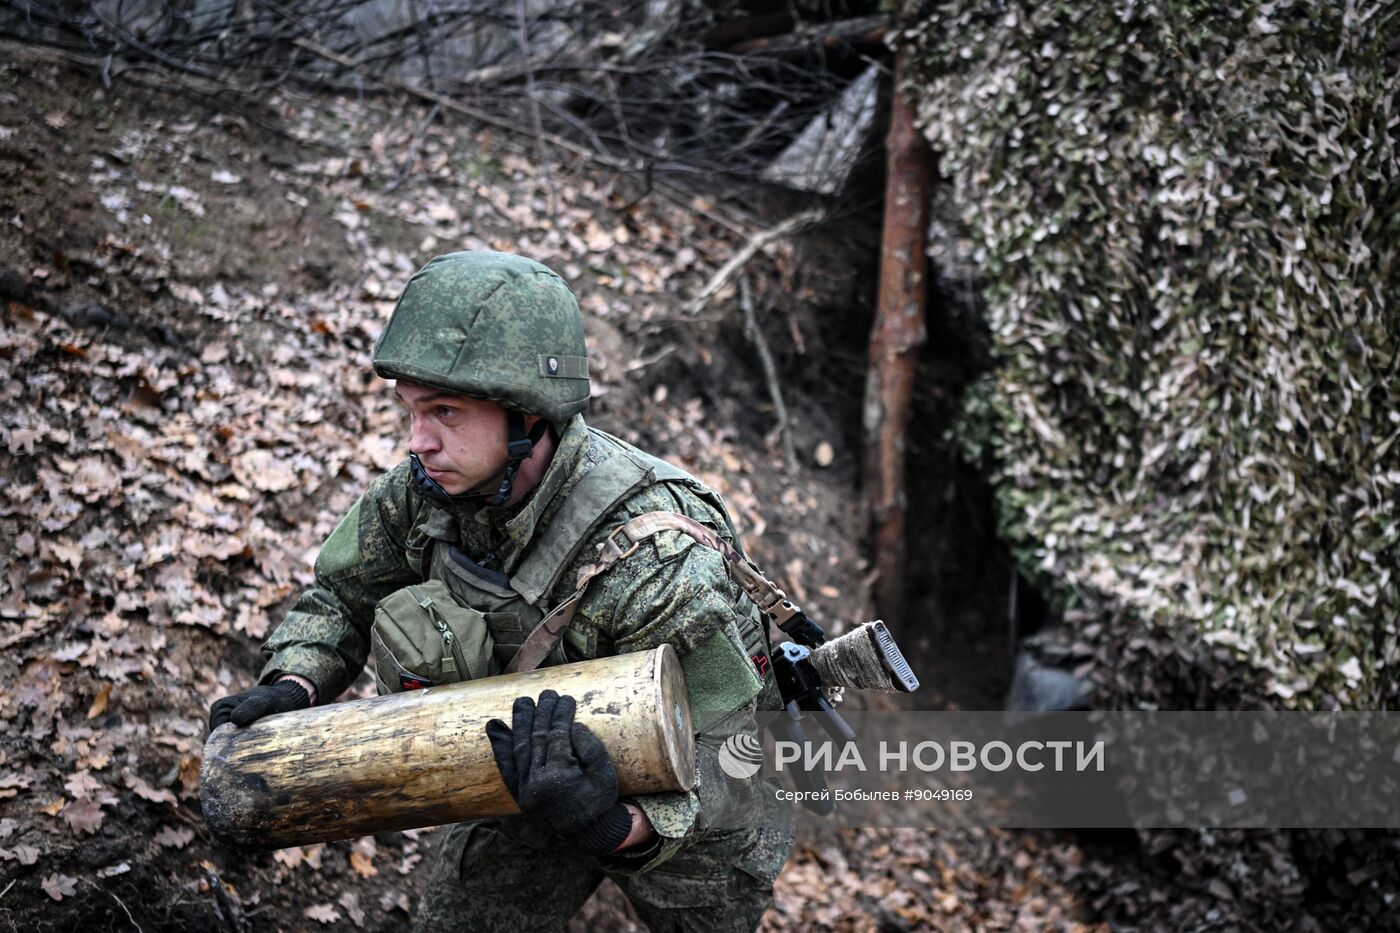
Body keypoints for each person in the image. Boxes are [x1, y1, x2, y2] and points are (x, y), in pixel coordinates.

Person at [207, 250, 795, 932]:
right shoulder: (426, 492)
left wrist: (615, 827)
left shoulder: (658, 557)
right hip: (528, 772)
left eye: (445, 412)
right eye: (410, 411)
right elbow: (344, 596)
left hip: (688, 809)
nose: (418, 441)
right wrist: (296, 680)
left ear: (527, 413)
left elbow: (730, 752)